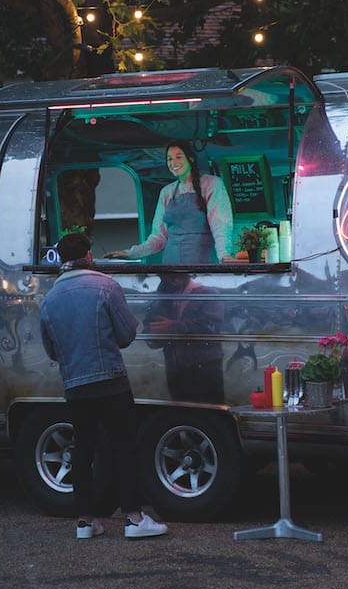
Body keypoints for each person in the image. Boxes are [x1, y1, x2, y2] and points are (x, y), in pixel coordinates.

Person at [39, 232, 169, 540]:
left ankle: (86, 522)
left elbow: (51, 351)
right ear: (88, 255)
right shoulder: (106, 287)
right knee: (124, 447)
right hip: (111, 382)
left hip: (75, 385)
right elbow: (125, 335)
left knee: (82, 450)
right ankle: (134, 519)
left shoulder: (50, 299)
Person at [105, 140, 233, 264]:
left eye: (178, 157)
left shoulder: (212, 184)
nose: (173, 162)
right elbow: (158, 238)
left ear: (191, 159)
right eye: (169, 159)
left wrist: (224, 256)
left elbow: (221, 225)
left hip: (202, 262)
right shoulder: (166, 192)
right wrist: (130, 253)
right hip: (171, 264)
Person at [144, 272, 225, 403]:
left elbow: (211, 327)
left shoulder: (206, 292)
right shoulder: (163, 297)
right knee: (181, 409)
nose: (170, 279)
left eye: (174, 275)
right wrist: (154, 332)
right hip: (175, 365)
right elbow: (150, 329)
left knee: (209, 410)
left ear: (186, 274)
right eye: (164, 276)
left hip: (205, 365)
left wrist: (172, 327)